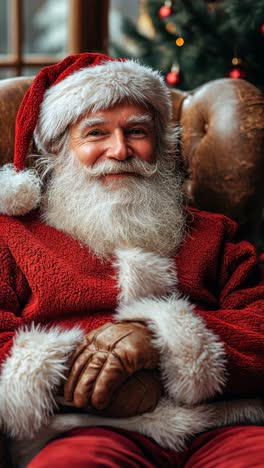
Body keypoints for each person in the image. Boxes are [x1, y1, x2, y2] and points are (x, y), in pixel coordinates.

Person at [0, 52, 263, 467]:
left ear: (159, 144)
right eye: (96, 133)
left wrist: (160, 341)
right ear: (57, 149)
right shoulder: (14, 237)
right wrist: (80, 372)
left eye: (136, 131)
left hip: (221, 425)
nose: (120, 150)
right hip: (87, 428)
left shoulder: (214, 233)